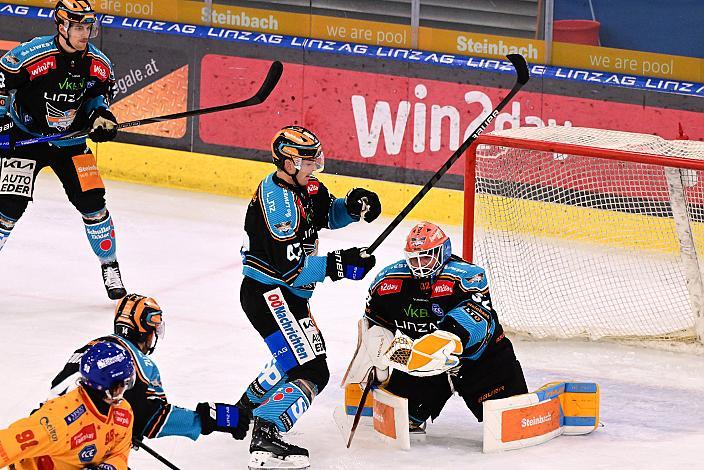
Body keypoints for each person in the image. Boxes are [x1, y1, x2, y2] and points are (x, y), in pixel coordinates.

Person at [238, 125, 382, 469]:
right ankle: (267, 432)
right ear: (287, 162)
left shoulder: (307, 185)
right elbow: (293, 270)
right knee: (313, 371)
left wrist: (352, 206)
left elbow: (326, 213)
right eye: (306, 159)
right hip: (270, 293)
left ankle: (246, 410)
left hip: (288, 297)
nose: (314, 164)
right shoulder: (278, 205)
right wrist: (341, 263)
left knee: (297, 358)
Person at [0, 0, 126, 299]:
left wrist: (101, 117)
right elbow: (2, 85)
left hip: (71, 143)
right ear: (61, 26)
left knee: (93, 204)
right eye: (79, 27)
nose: (86, 33)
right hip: (25, 140)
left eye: (89, 27)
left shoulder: (98, 63)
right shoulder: (31, 56)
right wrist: (2, 124)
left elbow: (98, 94)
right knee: (7, 210)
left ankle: (110, 266)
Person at [360, 221, 527, 433]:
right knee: (399, 420)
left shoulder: (467, 276)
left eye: (427, 256)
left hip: (480, 361)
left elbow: (476, 320)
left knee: (513, 421)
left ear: (443, 251)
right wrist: (377, 359)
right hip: (423, 366)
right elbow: (374, 322)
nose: (420, 264)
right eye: (414, 258)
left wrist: (443, 340)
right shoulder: (388, 282)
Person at [47, 293, 250, 443]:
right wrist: (209, 418)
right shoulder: (140, 365)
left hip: (44, 428)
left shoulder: (89, 348)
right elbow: (153, 419)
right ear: (146, 331)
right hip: (81, 447)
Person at [0, 341, 135, 470]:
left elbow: (120, 453)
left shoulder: (123, 412)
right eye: (125, 382)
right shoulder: (60, 420)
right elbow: (6, 444)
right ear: (114, 388)